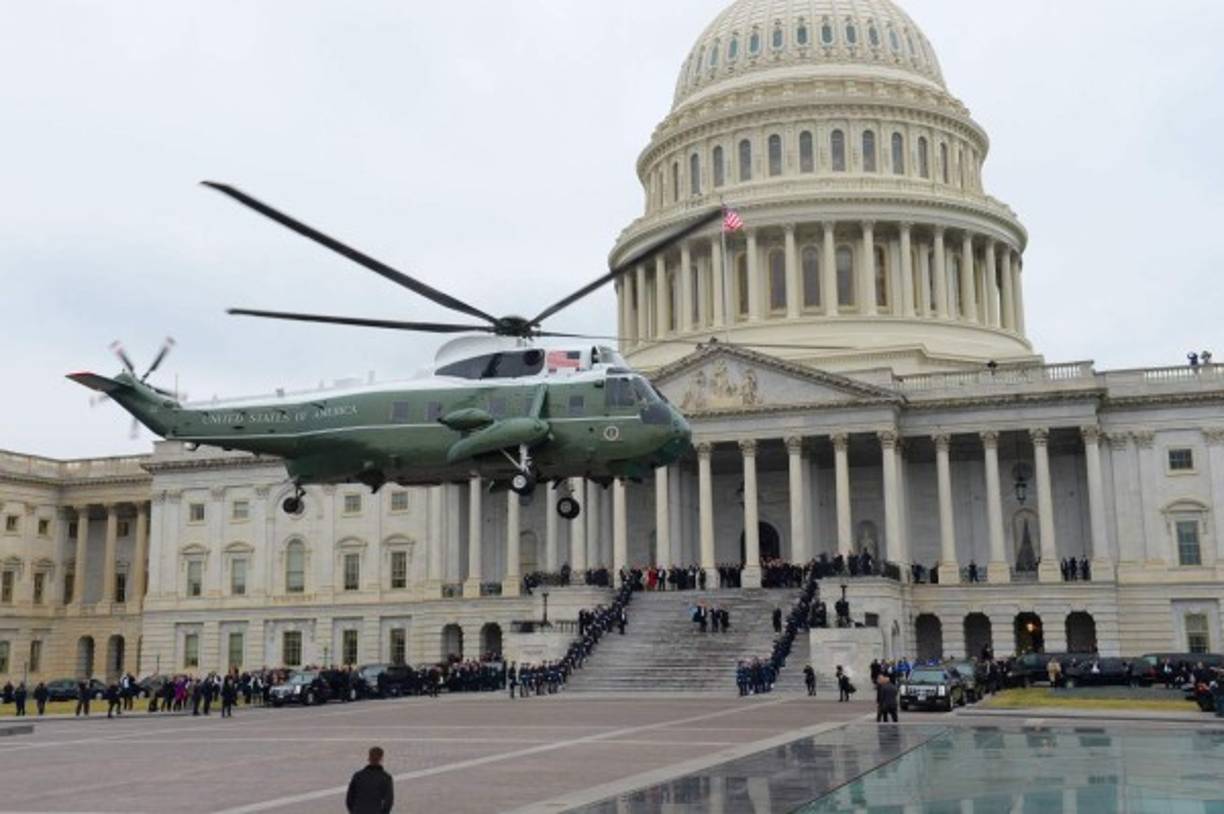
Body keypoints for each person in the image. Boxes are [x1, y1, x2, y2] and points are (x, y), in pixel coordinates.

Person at [347, 746, 394, 814]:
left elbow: (349, 799)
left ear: (369, 757)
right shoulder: (386, 778)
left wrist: (354, 811)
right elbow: (388, 802)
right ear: (381, 758)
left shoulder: (358, 776)